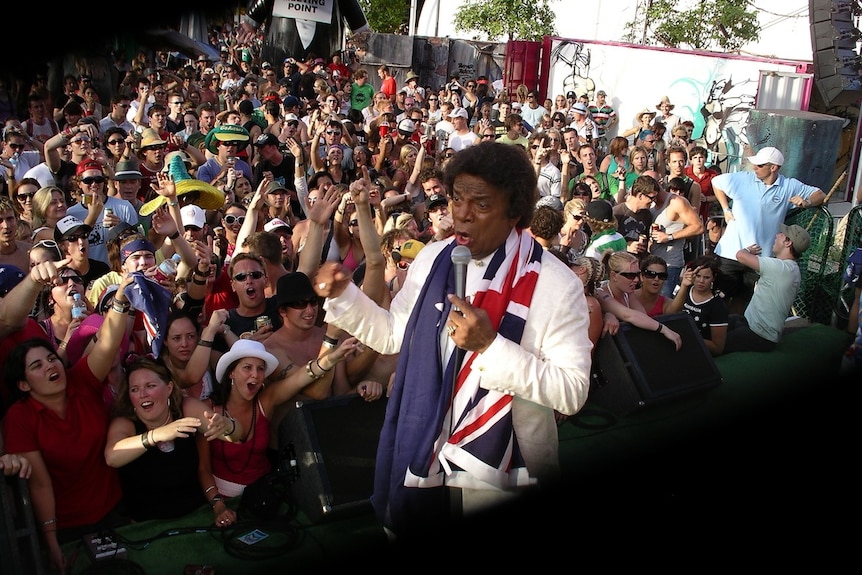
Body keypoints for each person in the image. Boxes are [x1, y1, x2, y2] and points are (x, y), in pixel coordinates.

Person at [312, 142, 592, 539]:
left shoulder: (555, 284)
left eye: (480, 204)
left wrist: (489, 346)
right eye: (456, 198)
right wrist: (343, 295)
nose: (461, 213)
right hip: (421, 441)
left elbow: (572, 392)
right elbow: (394, 336)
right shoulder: (433, 257)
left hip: (501, 468)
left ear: (515, 211)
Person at [2, 271, 136, 573]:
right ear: (23, 384)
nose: (51, 366)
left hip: (115, 513)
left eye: (51, 358)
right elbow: (39, 483)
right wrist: (50, 542)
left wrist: (120, 300)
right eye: (37, 366)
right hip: (67, 529)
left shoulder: (82, 382)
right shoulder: (19, 418)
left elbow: (107, 343)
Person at [199, 336, 361, 499]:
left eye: (260, 369)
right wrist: (217, 505)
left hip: (266, 492)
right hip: (222, 499)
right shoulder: (207, 409)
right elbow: (203, 469)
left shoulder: (266, 400)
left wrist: (332, 358)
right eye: (247, 367)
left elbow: (299, 379)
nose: (255, 375)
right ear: (231, 373)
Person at [105, 355, 242, 523]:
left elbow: (236, 436)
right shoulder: (125, 423)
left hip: (195, 514)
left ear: (169, 388)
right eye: (135, 389)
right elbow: (112, 456)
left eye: (150, 386)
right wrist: (158, 434)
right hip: (145, 524)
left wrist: (228, 425)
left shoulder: (186, 408)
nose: (142, 394)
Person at [711, 146, 825, 313]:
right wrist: (726, 209)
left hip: (760, 260)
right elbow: (716, 183)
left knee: (744, 302)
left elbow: (820, 194)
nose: (754, 168)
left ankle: (733, 334)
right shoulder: (743, 178)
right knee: (718, 301)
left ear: (773, 167)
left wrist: (806, 202)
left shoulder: (789, 185)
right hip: (729, 253)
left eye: (760, 165)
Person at [723, 224, 811, 354]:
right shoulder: (791, 268)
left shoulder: (779, 267)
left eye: (782, 234)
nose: (777, 235)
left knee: (716, 344)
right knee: (718, 325)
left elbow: (740, 255)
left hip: (759, 335)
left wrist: (748, 250)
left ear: (788, 243)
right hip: (749, 324)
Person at [676, 254, 729, 356]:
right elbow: (669, 314)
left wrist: (689, 336)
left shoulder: (718, 306)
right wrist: (683, 285)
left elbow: (718, 348)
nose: (701, 281)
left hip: (699, 352)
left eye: (706, 277)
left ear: (714, 278)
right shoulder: (683, 291)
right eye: (698, 276)